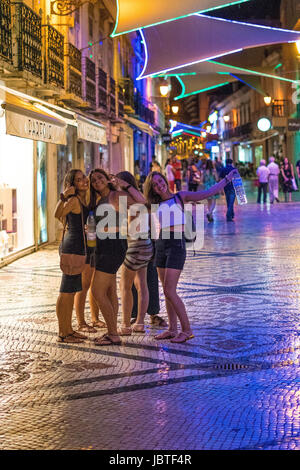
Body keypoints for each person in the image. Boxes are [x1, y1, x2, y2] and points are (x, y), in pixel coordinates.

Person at [144, 168, 238, 343]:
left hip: (176, 245)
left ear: (165, 180)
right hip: (161, 244)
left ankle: (187, 330)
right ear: (152, 189)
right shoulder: (153, 203)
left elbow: (208, 192)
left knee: (170, 290)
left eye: (160, 181)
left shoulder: (180, 197)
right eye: (155, 185)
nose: (159, 186)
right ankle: (172, 329)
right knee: (167, 292)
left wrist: (227, 178)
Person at [89, 169, 145, 346]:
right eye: (93, 180)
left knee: (97, 291)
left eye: (100, 178)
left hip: (113, 248)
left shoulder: (116, 195)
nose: (97, 181)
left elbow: (142, 202)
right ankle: (112, 331)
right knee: (108, 291)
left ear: (108, 179)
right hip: (102, 247)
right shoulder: (97, 199)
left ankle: (113, 333)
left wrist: (126, 185)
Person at [54, 169, 92, 343]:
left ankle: (69, 329)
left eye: (84, 177)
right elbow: (57, 214)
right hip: (72, 247)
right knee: (66, 291)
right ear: (72, 185)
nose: (84, 180)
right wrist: (64, 195)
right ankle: (63, 332)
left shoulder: (81, 199)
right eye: (79, 180)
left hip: (77, 246)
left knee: (71, 289)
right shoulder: (74, 199)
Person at [115, 171, 154, 336]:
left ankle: (125, 325)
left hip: (135, 246)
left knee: (125, 286)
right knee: (141, 285)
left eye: (117, 183)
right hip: (146, 245)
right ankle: (139, 323)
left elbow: (130, 228)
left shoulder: (129, 202)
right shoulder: (139, 201)